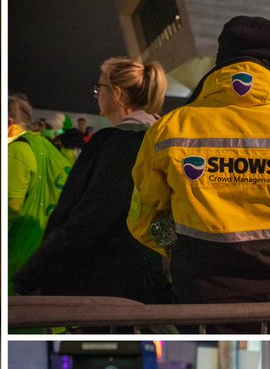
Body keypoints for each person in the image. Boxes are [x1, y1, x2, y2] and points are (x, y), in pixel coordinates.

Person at [127, 16, 270, 333]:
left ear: (220, 65)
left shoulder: (170, 129)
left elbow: (142, 218)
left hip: (201, 302)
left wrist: (178, 249)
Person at [14, 57, 170, 305]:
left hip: (109, 287)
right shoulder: (164, 140)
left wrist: (30, 276)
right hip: (152, 280)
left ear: (117, 94)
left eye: (100, 88)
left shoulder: (117, 143)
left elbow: (88, 219)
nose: (97, 95)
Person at [8, 93, 72, 293]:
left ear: (9, 123)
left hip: (19, 258)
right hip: (47, 256)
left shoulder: (16, 152)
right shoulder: (50, 151)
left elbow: (10, 209)